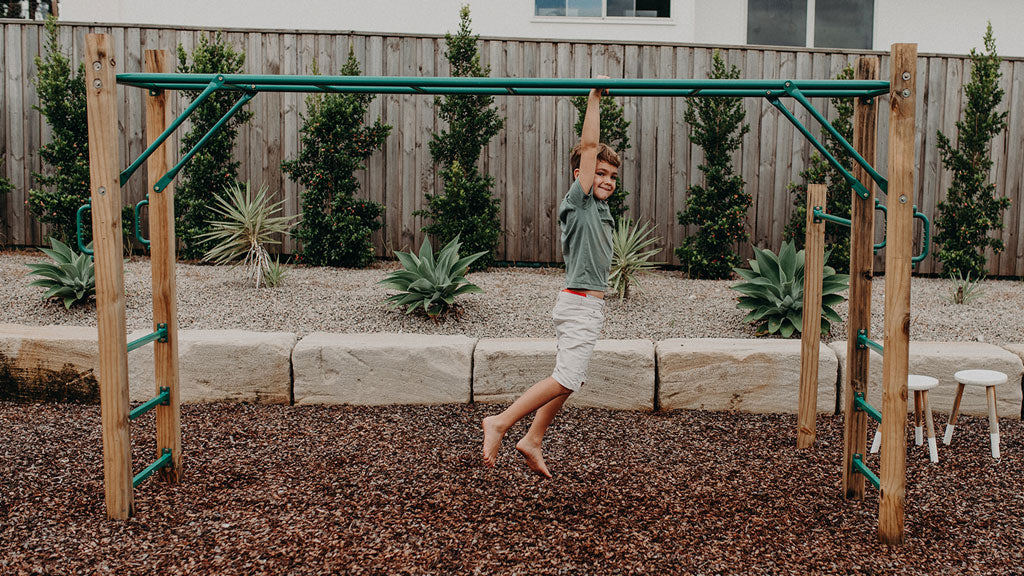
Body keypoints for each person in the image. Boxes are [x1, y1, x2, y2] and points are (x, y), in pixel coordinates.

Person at [482, 79, 619, 478]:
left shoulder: (603, 212)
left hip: (586, 306)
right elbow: (590, 147)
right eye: (600, 173)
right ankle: (502, 422)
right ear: (582, 174)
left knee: (569, 380)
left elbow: (596, 160)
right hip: (579, 304)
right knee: (566, 378)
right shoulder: (577, 203)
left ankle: (533, 439)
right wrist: (594, 100)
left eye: (613, 176)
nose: (607, 180)